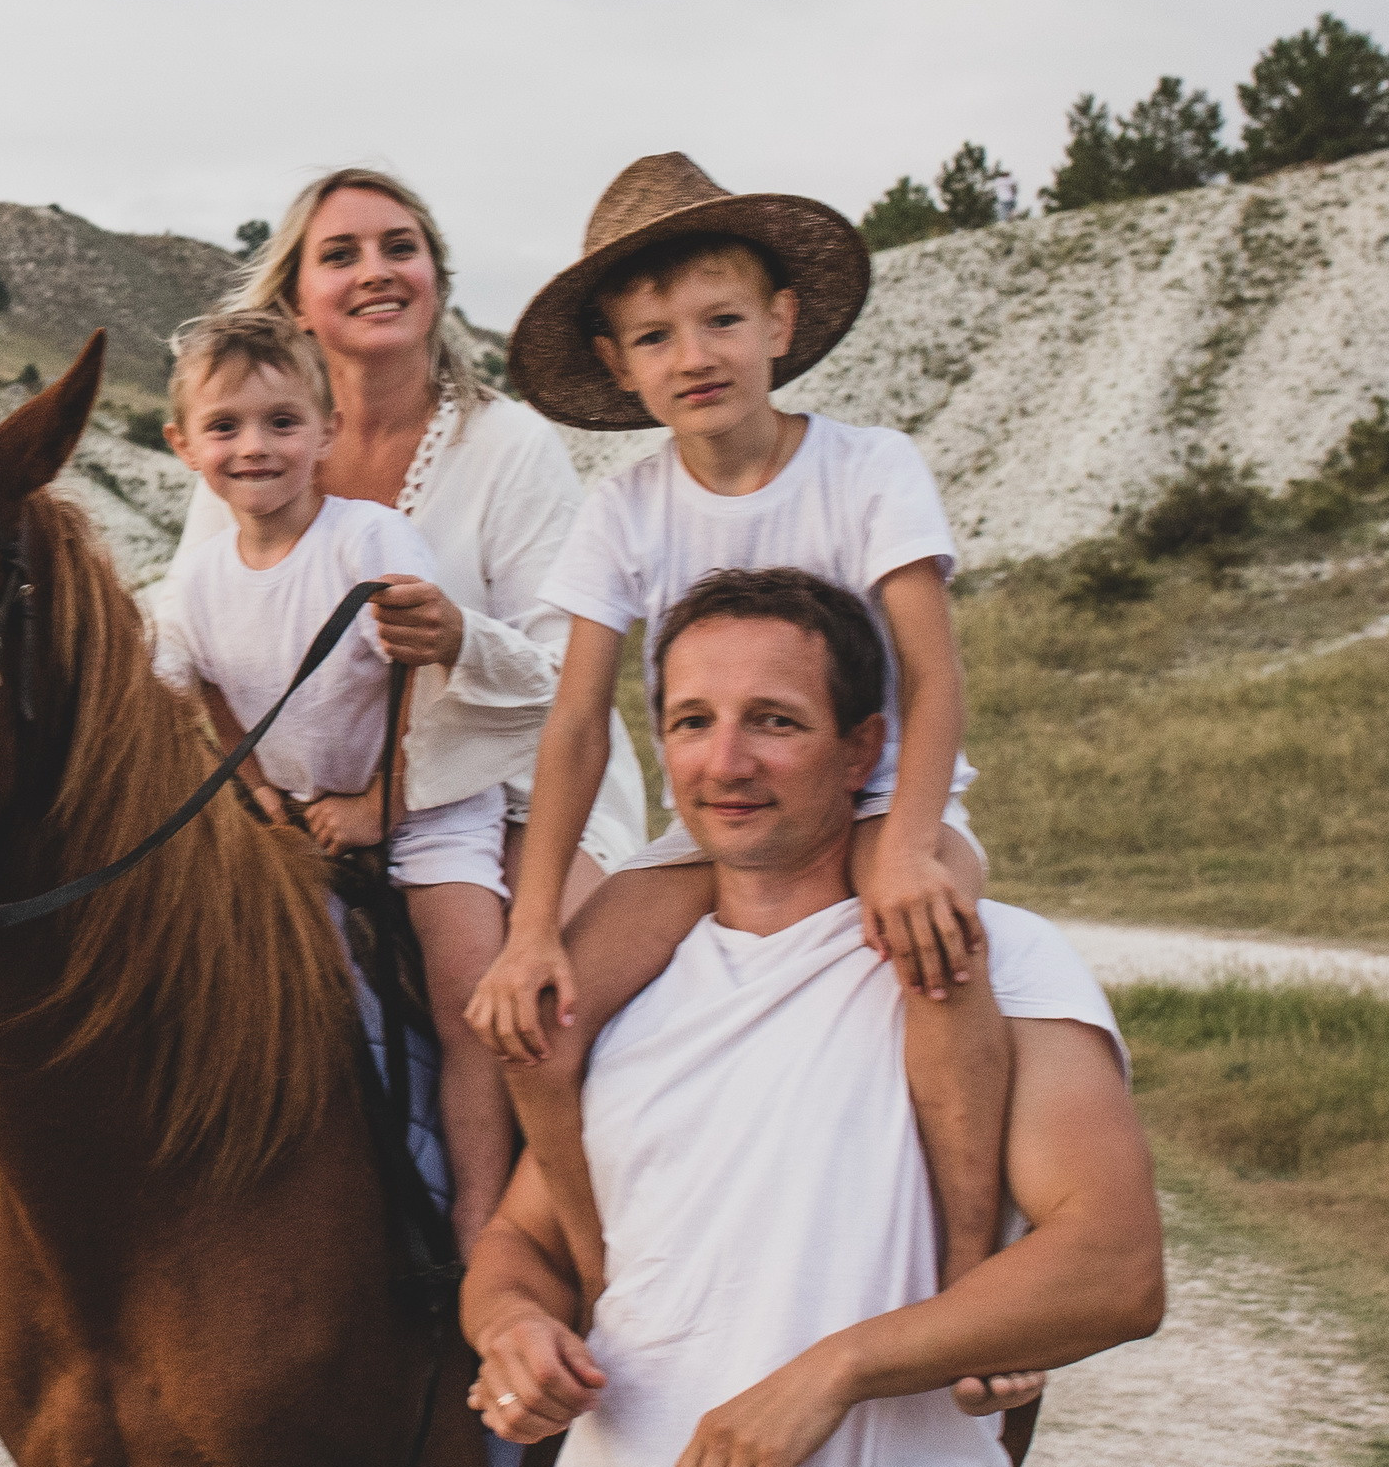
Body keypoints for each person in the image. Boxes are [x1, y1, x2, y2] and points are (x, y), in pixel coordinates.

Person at [462, 568, 1164, 1467]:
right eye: (693, 720)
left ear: (866, 750)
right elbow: (523, 1246)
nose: (724, 761)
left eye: (774, 721)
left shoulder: (1001, 965)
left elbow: (1114, 1265)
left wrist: (829, 1374)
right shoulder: (632, 994)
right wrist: (511, 1335)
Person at [467, 152, 1006, 1304]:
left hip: (873, 800)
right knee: (538, 1027)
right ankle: (604, 1272)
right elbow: (574, 724)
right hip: (718, 823)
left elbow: (930, 669)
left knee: (936, 953)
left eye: (719, 320)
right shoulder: (625, 504)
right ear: (616, 363)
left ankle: (967, 1255)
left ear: (779, 321)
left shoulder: (867, 468)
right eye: (654, 337)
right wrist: (531, 930)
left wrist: (909, 844)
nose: (693, 356)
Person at [166, 166, 646, 1242]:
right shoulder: (253, 442)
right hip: (311, 799)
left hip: (522, 786)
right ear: (295, 297)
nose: (375, 271)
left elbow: (567, 675)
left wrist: (453, 650)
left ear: (434, 275)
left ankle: (557, 1245)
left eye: (399, 246)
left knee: (523, 998)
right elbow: (192, 644)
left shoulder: (507, 445)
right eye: (339, 254)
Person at [160, 307, 514, 1247]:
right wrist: (256, 788)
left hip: (427, 810)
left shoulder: (369, 543)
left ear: (326, 432)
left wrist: (379, 807)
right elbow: (200, 692)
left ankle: (479, 1217)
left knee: (468, 996)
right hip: (306, 821)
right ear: (184, 445)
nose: (255, 448)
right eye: (225, 427)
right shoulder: (193, 586)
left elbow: (426, 691)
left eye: (281, 423)